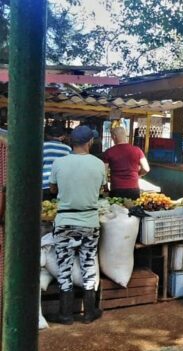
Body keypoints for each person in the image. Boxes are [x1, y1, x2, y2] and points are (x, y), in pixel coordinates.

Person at [48, 126, 106, 324]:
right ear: (89, 142)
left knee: (64, 266)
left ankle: (65, 314)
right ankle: (89, 312)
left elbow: (53, 188)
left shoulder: (59, 162)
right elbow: (101, 190)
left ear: (71, 142)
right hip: (90, 222)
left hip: (64, 222)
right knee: (88, 264)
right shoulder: (99, 164)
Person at [102, 126, 150, 200]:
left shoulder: (109, 152)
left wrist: (105, 188)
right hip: (134, 188)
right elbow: (146, 169)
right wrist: (138, 174)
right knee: (133, 210)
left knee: (117, 210)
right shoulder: (137, 150)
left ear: (114, 137)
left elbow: (103, 172)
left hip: (117, 189)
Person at [42, 126, 71, 201]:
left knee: (44, 210)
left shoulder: (42, 146)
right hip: (61, 186)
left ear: (48, 136)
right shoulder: (68, 149)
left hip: (44, 185)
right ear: (63, 137)